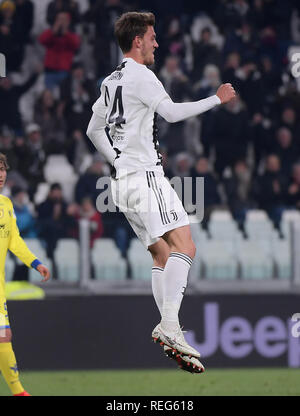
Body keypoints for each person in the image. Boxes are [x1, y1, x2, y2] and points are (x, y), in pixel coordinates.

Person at [86, 11, 236, 374]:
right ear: (137, 41)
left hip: (122, 182)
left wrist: (117, 159)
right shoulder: (142, 76)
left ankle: (170, 325)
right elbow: (169, 113)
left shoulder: (112, 80)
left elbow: (93, 129)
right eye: (152, 37)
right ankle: (170, 325)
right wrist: (215, 99)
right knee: (186, 246)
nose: (157, 43)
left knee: (161, 252)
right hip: (146, 176)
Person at [0, 153, 50, 396]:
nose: (0, 174)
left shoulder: (6, 205)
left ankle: (18, 392)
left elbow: (14, 241)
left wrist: (35, 262)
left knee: (3, 337)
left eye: (2, 170)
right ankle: (19, 392)